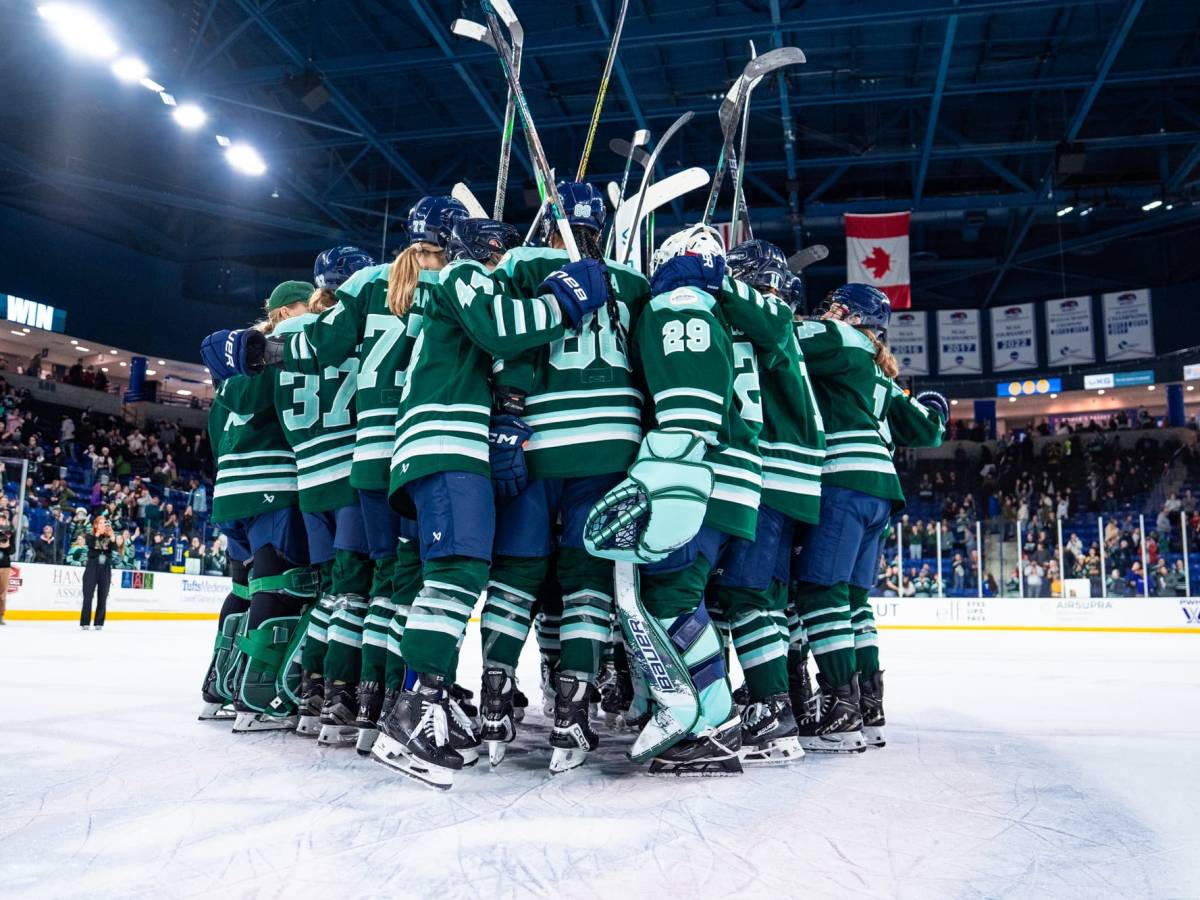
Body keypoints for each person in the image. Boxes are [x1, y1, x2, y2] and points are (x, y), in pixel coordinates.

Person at [372, 214, 610, 789]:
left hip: (438, 445)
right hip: (447, 444)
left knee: (452, 577)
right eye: (499, 251)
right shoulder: (460, 277)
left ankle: (429, 702)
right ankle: (414, 714)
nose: (505, 261)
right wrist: (566, 299)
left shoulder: (439, 289)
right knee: (457, 575)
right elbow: (504, 326)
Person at [586, 223, 761, 774]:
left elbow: (688, 402)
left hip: (696, 474)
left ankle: (711, 719)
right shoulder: (726, 305)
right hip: (733, 478)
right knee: (682, 598)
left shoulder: (677, 303)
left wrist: (669, 464)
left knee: (671, 597)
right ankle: (709, 714)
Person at [790, 283, 945, 752]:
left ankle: (842, 708)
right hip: (881, 492)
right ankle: (869, 704)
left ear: (858, 320)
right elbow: (929, 430)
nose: (828, 313)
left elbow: (782, 335)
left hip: (843, 479)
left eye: (837, 307)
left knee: (821, 592)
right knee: (855, 601)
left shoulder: (840, 341)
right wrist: (936, 404)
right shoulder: (884, 379)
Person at [79, 516, 115, 631]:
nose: (103, 525)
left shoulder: (109, 537)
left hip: (105, 568)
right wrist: (98, 534)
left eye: (104, 523)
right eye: (100, 523)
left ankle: (99, 622)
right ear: (95, 525)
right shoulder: (90, 536)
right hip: (92, 567)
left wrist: (111, 535)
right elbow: (91, 545)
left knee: (103, 595)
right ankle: (85, 622)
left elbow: (114, 547)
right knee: (88, 595)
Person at [0, 513, 11, 625]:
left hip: (5, 565)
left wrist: (6, 544)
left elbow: (12, 551)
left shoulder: (9, 534)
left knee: (2, 593)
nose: (1, 521)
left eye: (3, 519)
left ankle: (1, 615)